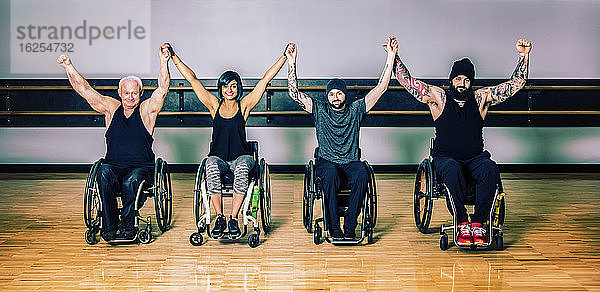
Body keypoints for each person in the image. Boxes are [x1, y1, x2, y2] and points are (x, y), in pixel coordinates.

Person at [393, 39, 532, 245]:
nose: (462, 83)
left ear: (471, 82)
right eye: (457, 79)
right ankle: (461, 222)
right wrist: (393, 56)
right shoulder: (439, 98)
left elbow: (516, 85)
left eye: (466, 80)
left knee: (491, 169)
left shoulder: (481, 98)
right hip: (445, 158)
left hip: (475, 158)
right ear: (451, 80)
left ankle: (477, 223)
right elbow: (407, 81)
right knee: (451, 168)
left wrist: (524, 56)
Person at [167, 43, 288, 239]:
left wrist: (284, 57)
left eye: (233, 86)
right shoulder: (214, 106)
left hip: (242, 156)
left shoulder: (244, 105)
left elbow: (265, 80)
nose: (229, 90)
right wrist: (173, 57)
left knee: (241, 169)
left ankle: (233, 218)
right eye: (225, 86)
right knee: (210, 164)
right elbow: (192, 79)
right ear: (221, 89)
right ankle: (220, 217)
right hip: (219, 157)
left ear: (238, 88)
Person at [57, 44, 172, 242]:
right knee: (103, 172)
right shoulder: (111, 108)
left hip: (140, 168)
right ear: (119, 92)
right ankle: (109, 228)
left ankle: (128, 227)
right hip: (114, 166)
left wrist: (163, 61)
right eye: (126, 93)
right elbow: (85, 90)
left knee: (131, 181)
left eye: (134, 93)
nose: (130, 97)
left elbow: (162, 89)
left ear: (140, 93)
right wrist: (68, 66)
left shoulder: (146, 111)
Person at [286, 37, 397, 240]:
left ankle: (350, 225)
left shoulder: (356, 110)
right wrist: (292, 62)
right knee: (329, 176)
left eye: (339, 93)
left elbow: (381, 88)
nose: (335, 97)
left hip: (351, 161)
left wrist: (391, 56)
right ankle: (334, 227)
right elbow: (294, 94)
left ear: (345, 95)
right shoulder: (319, 109)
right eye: (332, 94)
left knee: (363, 174)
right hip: (327, 161)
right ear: (327, 97)